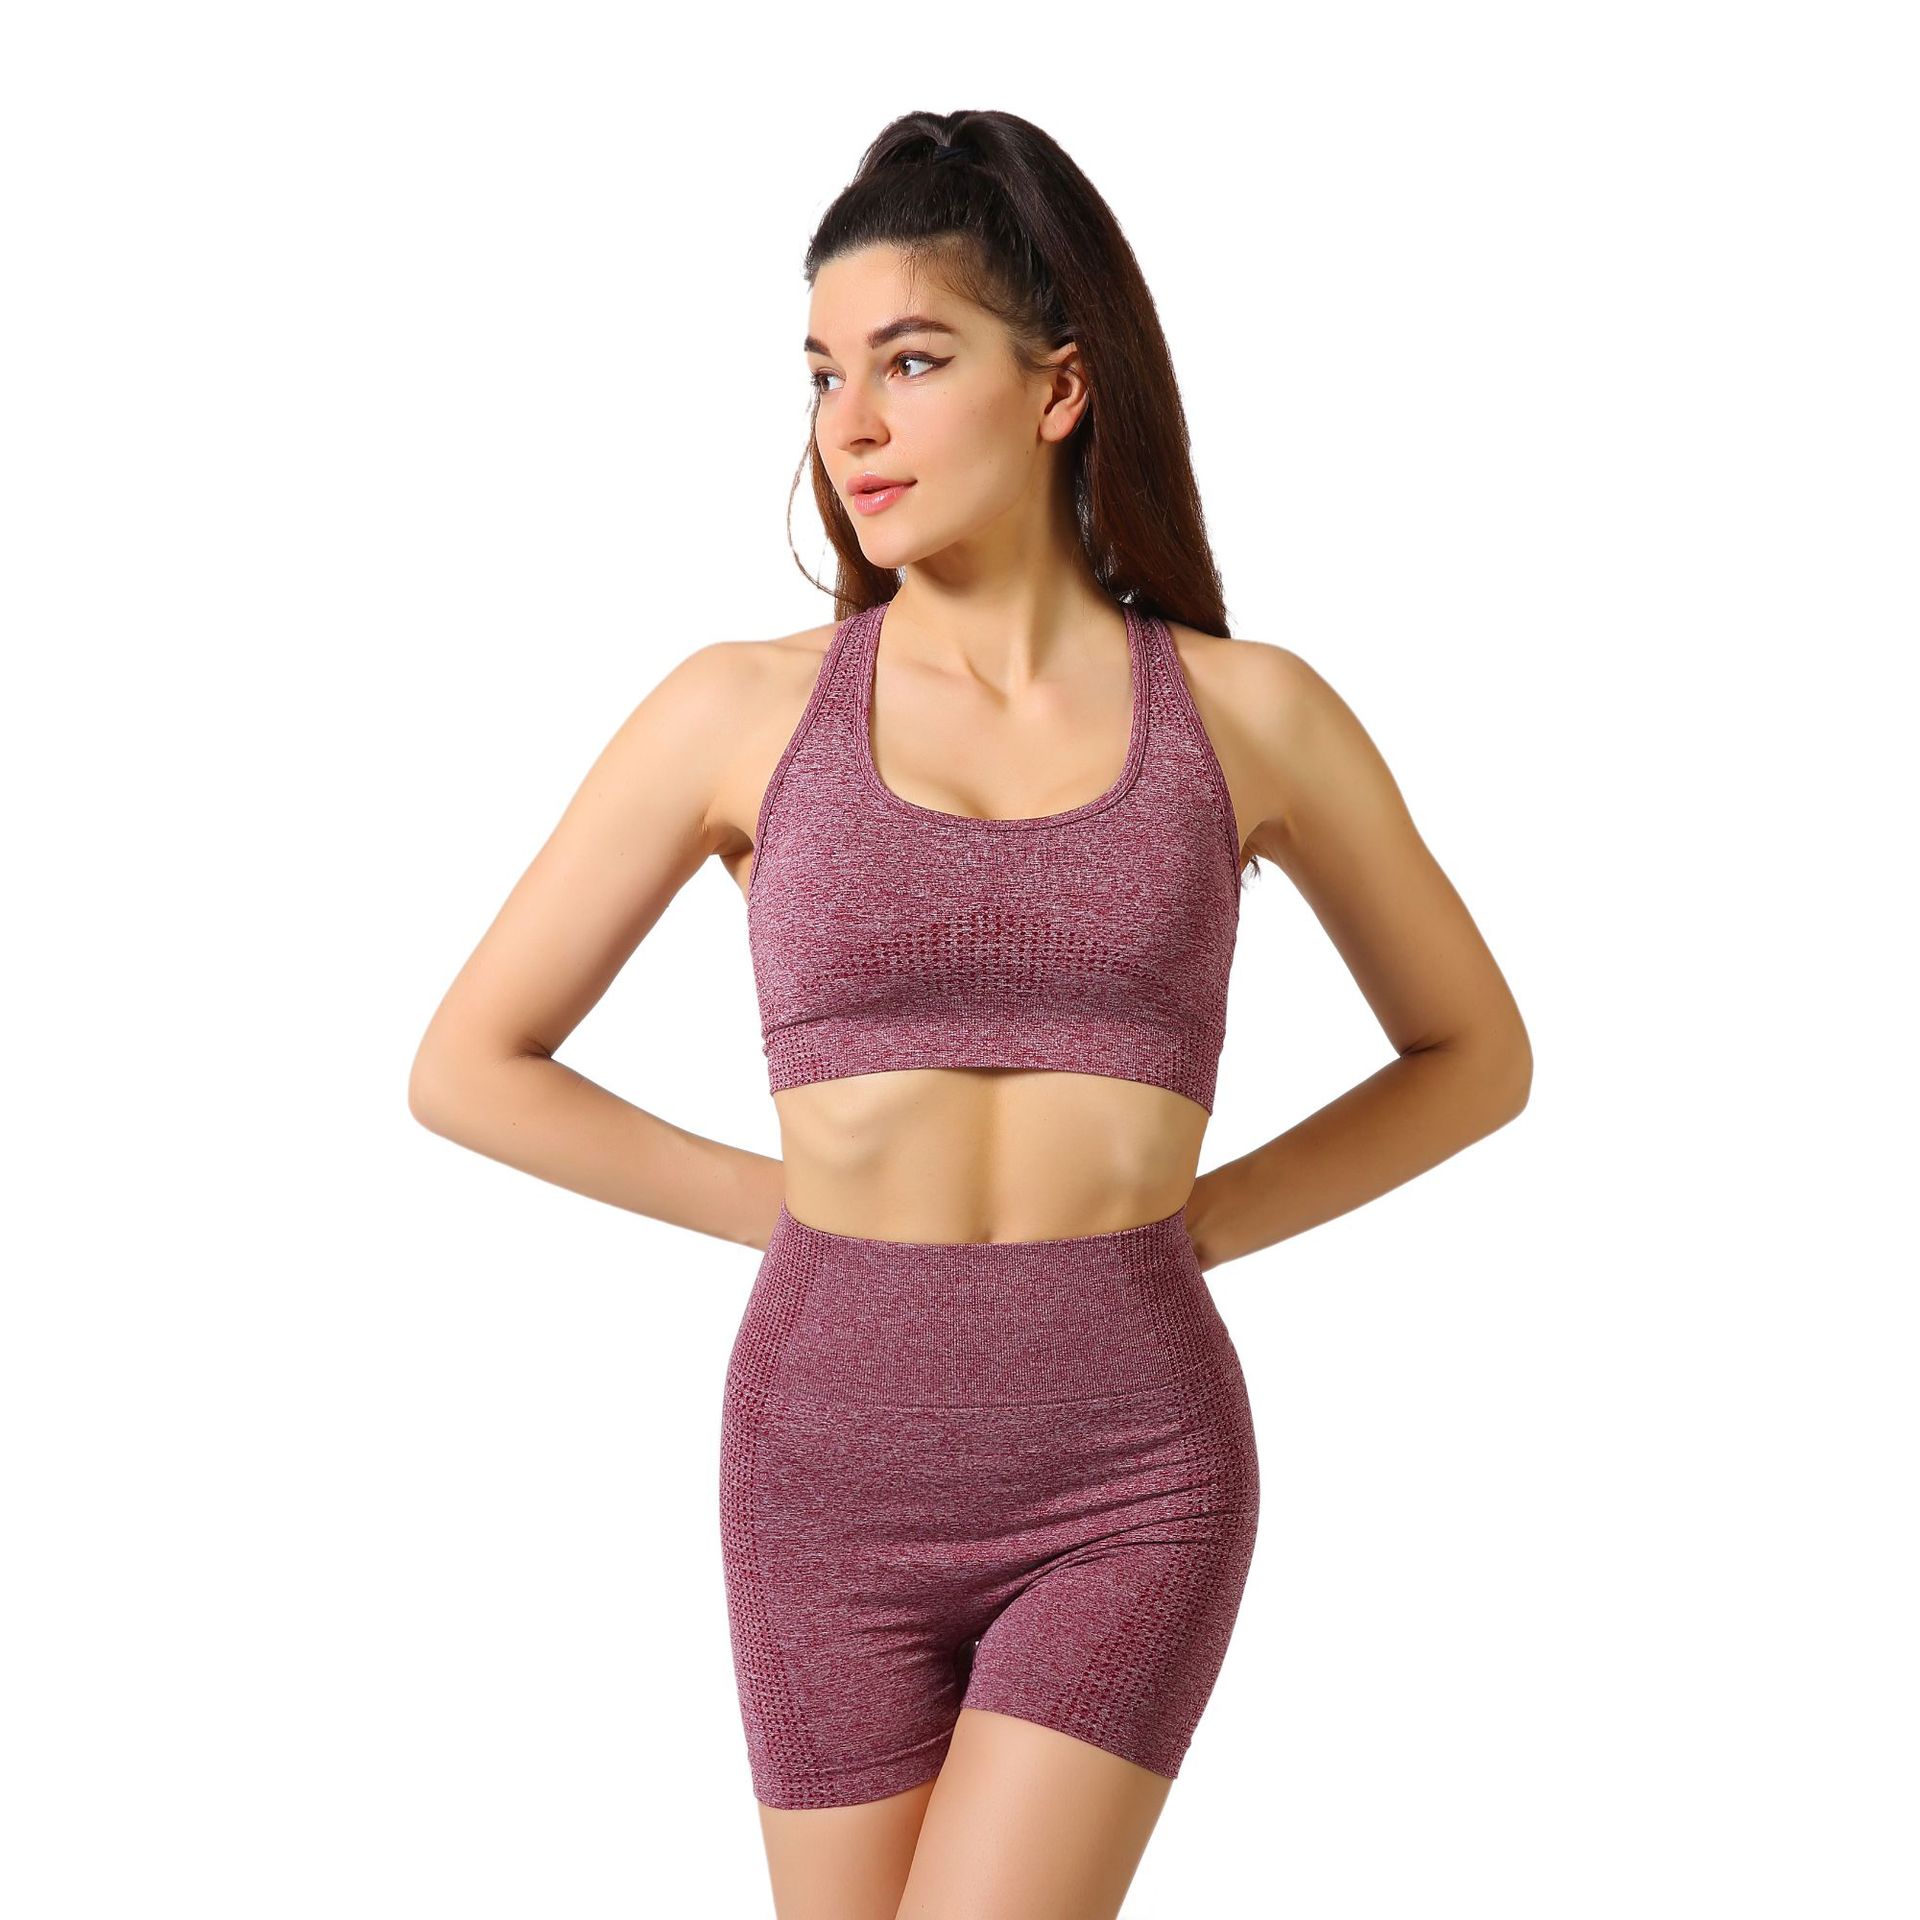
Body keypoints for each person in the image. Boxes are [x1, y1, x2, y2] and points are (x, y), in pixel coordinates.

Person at [410, 108, 1532, 1920]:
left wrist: (1196, 1225)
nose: (850, 424)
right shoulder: (736, 711)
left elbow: (1476, 1053)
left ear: (1059, 386)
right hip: (820, 1472)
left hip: (1132, 1474)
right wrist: (798, 1211)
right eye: (823, 373)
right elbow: (469, 1065)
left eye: (912, 362)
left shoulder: (1250, 715)